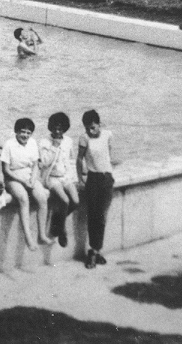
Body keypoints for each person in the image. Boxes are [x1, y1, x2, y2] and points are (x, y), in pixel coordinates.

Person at [2, 118, 53, 250]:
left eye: (28, 133)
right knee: (23, 198)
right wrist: (23, 181)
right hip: (13, 177)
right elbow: (6, 170)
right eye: (22, 132)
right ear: (16, 132)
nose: (25, 135)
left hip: (29, 175)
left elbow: (36, 165)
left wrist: (32, 179)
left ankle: (41, 235)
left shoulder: (32, 143)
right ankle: (28, 238)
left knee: (42, 197)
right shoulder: (8, 144)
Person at [77, 109, 116, 269]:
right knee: (93, 216)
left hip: (107, 179)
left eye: (92, 127)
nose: (90, 131)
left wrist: (109, 172)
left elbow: (109, 156)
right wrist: (81, 179)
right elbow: (79, 159)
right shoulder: (84, 138)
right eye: (87, 128)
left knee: (102, 217)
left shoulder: (108, 135)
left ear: (99, 124)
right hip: (92, 179)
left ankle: (97, 250)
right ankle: (93, 252)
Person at [39, 112, 80, 247]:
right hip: (52, 178)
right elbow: (44, 162)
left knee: (75, 201)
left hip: (65, 177)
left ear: (64, 129)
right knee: (65, 200)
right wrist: (54, 147)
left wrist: (74, 178)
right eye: (55, 128)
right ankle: (61, 230)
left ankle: (57, 220)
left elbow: (71, 160)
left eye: (60, 129)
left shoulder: (68, 141)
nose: (57, 131)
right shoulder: (44, 142)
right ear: (50, 128)